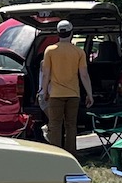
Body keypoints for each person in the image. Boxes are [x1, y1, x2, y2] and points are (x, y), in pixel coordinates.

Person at [38, 20, 94, 156]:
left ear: (58, 33)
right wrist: (90, 94)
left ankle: (57, 154)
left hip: (56, 94)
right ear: (72, 33)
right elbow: (84, 75)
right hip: (73, 94)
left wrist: (44, 91)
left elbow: (46, 74)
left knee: (55, 125)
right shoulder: (79, 52)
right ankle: (71, 154)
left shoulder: (50, 51)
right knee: (71, 125)